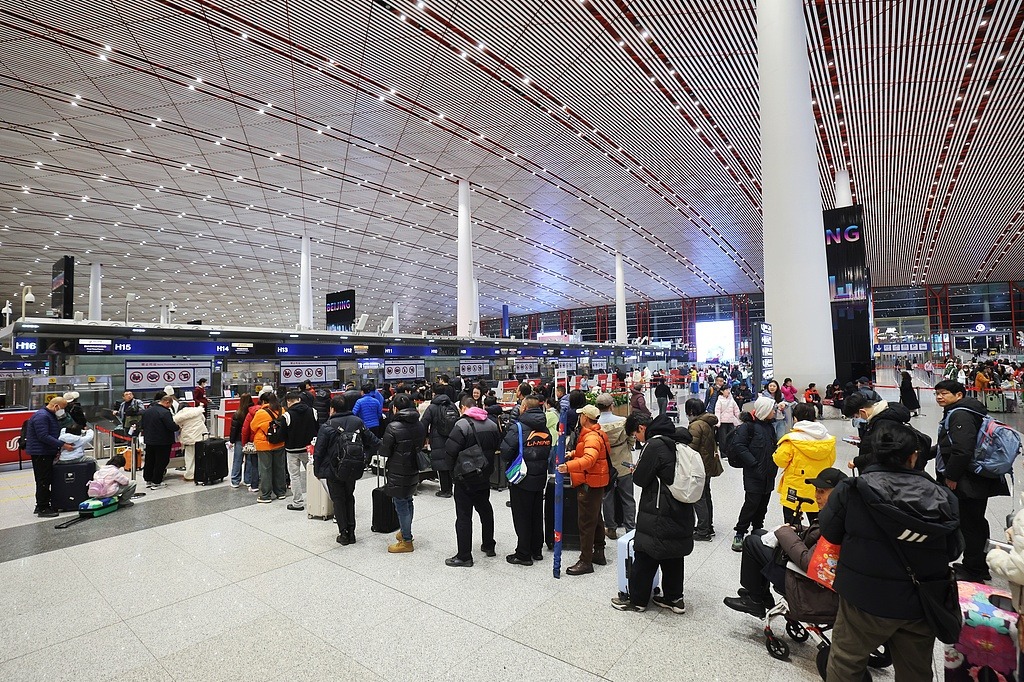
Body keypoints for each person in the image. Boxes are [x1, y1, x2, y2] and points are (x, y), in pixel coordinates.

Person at [821, 420, 963, 681]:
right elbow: (953, 550)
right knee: (915, 671)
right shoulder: (942, 496)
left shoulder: (851, 491)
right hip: (920, 601)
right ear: (913, 456)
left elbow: (830, 532)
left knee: (846, 663)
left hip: (862, 599)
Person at [723, 468, 847, 618]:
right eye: (816, 490)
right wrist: (797, 528)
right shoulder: (841, 513)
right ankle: (761, 594)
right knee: (758, 533)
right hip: (808, 573)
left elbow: (808, 562)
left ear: (838, 493)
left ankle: (754, 600)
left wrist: (785, 533)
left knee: (751, 543)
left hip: (806, 585)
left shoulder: (836, 523)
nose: (816, 496)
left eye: (822, 492)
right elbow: (817, 534)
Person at [611, 412, 693, 613]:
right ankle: (675, 599)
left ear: (641, 427)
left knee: (646, 552)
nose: (637, 439)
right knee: (673, 554)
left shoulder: (654, 444)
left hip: (658, 509)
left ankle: (637, 601)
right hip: (681, 505)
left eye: (635, 434)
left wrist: (636, 470)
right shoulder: (676, 439)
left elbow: (640, 478)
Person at [934, 379, 1007, 582]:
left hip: (969, 480)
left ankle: (974, 569)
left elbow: (962, 450)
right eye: (937, 393)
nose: (940, 396)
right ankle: (977, 565)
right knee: (975, 522)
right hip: (975, 478)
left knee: (970, 524)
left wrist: (951, 476)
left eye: (945, 393)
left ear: (959, 395)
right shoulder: (966, 411)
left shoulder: (960, 414)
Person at [312, 392, 380, 545]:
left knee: (338, 500)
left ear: (332, 409)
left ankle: (344, 533)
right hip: (353, 468)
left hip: (333, 469)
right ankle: (352, 532)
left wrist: (317, 471)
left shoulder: (327, 426)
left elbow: (319, 452)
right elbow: (373, 440)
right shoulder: (357, 421)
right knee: (349, 497)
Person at [444, 396, 502, 567]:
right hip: (484, 475)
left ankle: (464, 556)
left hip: (465, 477)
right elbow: (497, 445)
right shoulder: (492, 424)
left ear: (463, 408)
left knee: (463, 516)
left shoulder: (461, 426)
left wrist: (452, 472)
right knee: (485, 509)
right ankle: (489, 545)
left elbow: (450, 451)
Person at [556, 404, 611, 575]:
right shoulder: (597, 433)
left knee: (586, 522)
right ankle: (599, 552)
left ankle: (586, 560)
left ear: (585, 418)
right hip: (596, 481)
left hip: (589, 483)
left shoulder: (591, 437)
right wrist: (573, 454)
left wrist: (569, 466)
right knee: (596, 517)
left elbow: (589, 459)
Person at [500, 395, 551, 565]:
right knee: (537, 515)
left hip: (522, 478)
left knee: (522, 516)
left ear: (525, 408)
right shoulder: (545, 428)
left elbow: (505, 452)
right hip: (539, 478)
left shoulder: (519, 428)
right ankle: (536, 550)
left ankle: (523, 554)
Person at [724, 396, 779, 552]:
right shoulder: (748, 427)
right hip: (753, 473)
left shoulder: (769, 427)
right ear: (764, 411)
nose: (774, 412)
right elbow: (739, 446)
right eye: (771, 409)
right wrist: (753, 463)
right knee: (751, 503)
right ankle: (740, 532)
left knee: (763, 504)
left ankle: (757, 529)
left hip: (769, 472)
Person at [773, 403, 836, 525]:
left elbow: (780, 461)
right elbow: (831, 460)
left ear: (795, 418)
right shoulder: (828, 439)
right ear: (814, 417)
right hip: (820, 486)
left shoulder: (792, 439)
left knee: (792, 524)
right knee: (817, 523)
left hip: (795, 487)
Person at [379, 394, 426, 553]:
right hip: (413, 467)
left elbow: (385, 451)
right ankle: (406, 532)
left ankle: (407, 540)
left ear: (395, 408)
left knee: (400, 503)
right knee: (408, 499)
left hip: (398, 469)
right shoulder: (419, 424)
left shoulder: (393, 426)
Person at [25, 397, 74, 517]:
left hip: (45, 452)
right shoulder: (42, 416)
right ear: (56, 406)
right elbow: (43, 436)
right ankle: (43, 508)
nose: (62, 411)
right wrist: (62, 445)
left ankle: (42, 504)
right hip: (41, 453)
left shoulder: (47, 415)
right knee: (43, 480)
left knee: (45, 479)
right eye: (62, 408)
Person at [841, 391, 915, 470]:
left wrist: (857, 461)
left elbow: (882, 454)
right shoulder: (883, 412)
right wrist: (862, 443)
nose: (857, 419)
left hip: (883, 473)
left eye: (856, 417)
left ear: (862, 411)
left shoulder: (883, 424)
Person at [597, 393, 635, 540]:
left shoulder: (596, 425)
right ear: (612, 405)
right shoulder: (623, 422)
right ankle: (630, 528)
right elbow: (631, 438)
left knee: (607, 497)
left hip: (605, 465)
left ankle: (611, 528)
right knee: (628, 497)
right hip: (624, 463)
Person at [685, 398, 722, 541]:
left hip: (699, 466)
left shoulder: (695, 426)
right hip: (707, 465)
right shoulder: (707, 422)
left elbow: (690, 448)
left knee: (698, 498)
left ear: (691, 411)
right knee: (706, 496)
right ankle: (708, 526)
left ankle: (702, 530)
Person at [281, 390, 319, 511]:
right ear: (299, 399)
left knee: (295, 476)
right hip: (308, 449)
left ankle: (297, 502)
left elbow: (282, 435)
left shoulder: (286, 416)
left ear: (288, 401)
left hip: (292, 450)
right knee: (312, 474)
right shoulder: (313, 411)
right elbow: (317, 428)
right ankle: (315, 499)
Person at [421, 385, 458, 498]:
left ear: (433, 393)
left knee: (441, 465)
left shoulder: (432, 407)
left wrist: (423, 438)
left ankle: (445, 490)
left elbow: (424, 423)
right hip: (452, 437)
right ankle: (451, 488)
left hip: (437, 438)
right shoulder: (451, 405)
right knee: (449, 462)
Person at [250, 391, 286, 503]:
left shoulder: (261, 413)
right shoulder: (282, 410)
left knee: (265, 469)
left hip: (264, 445)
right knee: (279, 468)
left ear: (264, 401)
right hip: (280, 443)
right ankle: (280, 492)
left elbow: (253, 426)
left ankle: (266, 495)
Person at [140, 393, 177, 490]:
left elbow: (142, 425)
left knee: (150, 460)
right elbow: (171, 426)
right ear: (167, 402)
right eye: (170, 404)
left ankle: (148, 479)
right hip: (163, 441)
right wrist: (178, 426)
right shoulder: (165, 412)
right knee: (161, 461)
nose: (170, 407)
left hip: (149, 440)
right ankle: (157, 481)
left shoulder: (147, 411)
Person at [173, 401, 207, 482]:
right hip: (201, 436)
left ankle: (190, 475)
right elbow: (203, 420)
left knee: (189, 456)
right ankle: (201, 473)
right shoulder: (197, 412)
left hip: (189, 437)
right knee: (201, 455)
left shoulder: (179, 416)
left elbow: (178, 426)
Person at [229, 393, 254, 488]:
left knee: (237, 460)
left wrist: (231, 441)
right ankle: (248, 480)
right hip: (250, 439)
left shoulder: (237, 414)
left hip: (239, 440)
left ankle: (235, 480)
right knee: (249, 460)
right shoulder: (253, 413)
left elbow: (234, 429)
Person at [240, 395, 262, 492]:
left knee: (254, 465)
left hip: (253, 442)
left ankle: (254, 485)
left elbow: (245, 430)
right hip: (267, 443)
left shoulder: (250, 414)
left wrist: (244, 443)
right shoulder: (268, 412)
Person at [715, 384, 741, 449]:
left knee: (731, 437)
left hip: (731, 421)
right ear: (722, 391)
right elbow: (717, 412)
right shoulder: (719, 401)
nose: (728, 391)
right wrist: (718, 422)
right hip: (723, 422)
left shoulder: (732, 400)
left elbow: (736, 410)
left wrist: (740, 419)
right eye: (726, 390)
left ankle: (730, 451)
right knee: (723, 439)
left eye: (729, 389)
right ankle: (723, 452)